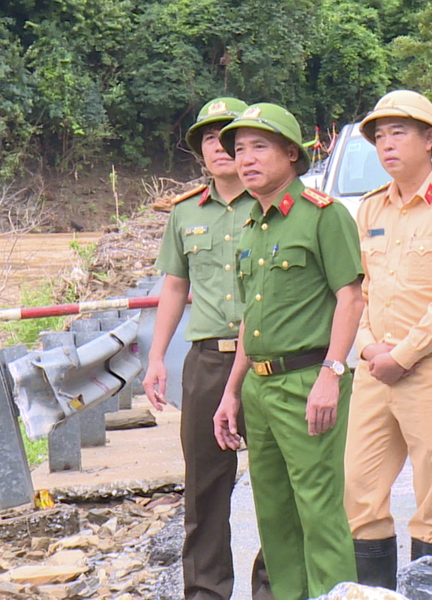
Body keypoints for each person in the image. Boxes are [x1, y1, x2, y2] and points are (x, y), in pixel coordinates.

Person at [212, 102, 364, 600]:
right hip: (259, 385)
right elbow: (250, 322)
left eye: (259, 147)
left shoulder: (324, 216)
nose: (246, 159)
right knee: (273, 514)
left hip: (307, 381)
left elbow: (351, 297)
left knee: (319, 510)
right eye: (238, 151)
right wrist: (232, 391)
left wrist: (331, 372)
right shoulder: (252, 225)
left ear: (291, 155)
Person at [344, 90, 432, 589]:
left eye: (399, 132)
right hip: (374, 369)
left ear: (430, 139)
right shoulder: (368, 210)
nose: (387, 144)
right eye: (379, 136)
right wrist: (366, 349)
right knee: (360, 494)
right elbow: (361, 291)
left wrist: (401, 356)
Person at [141, 97, 271, 600]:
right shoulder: (185, 213)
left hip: (266, 362)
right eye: (210, 138)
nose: (220, 147)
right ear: (201, 150)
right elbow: (174, 286)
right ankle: (205, 591)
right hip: (208, 362)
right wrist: (156, 358)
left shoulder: (272, 206)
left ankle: (272, 587)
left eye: (230, 137)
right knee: (205, 486)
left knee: (274, 485)